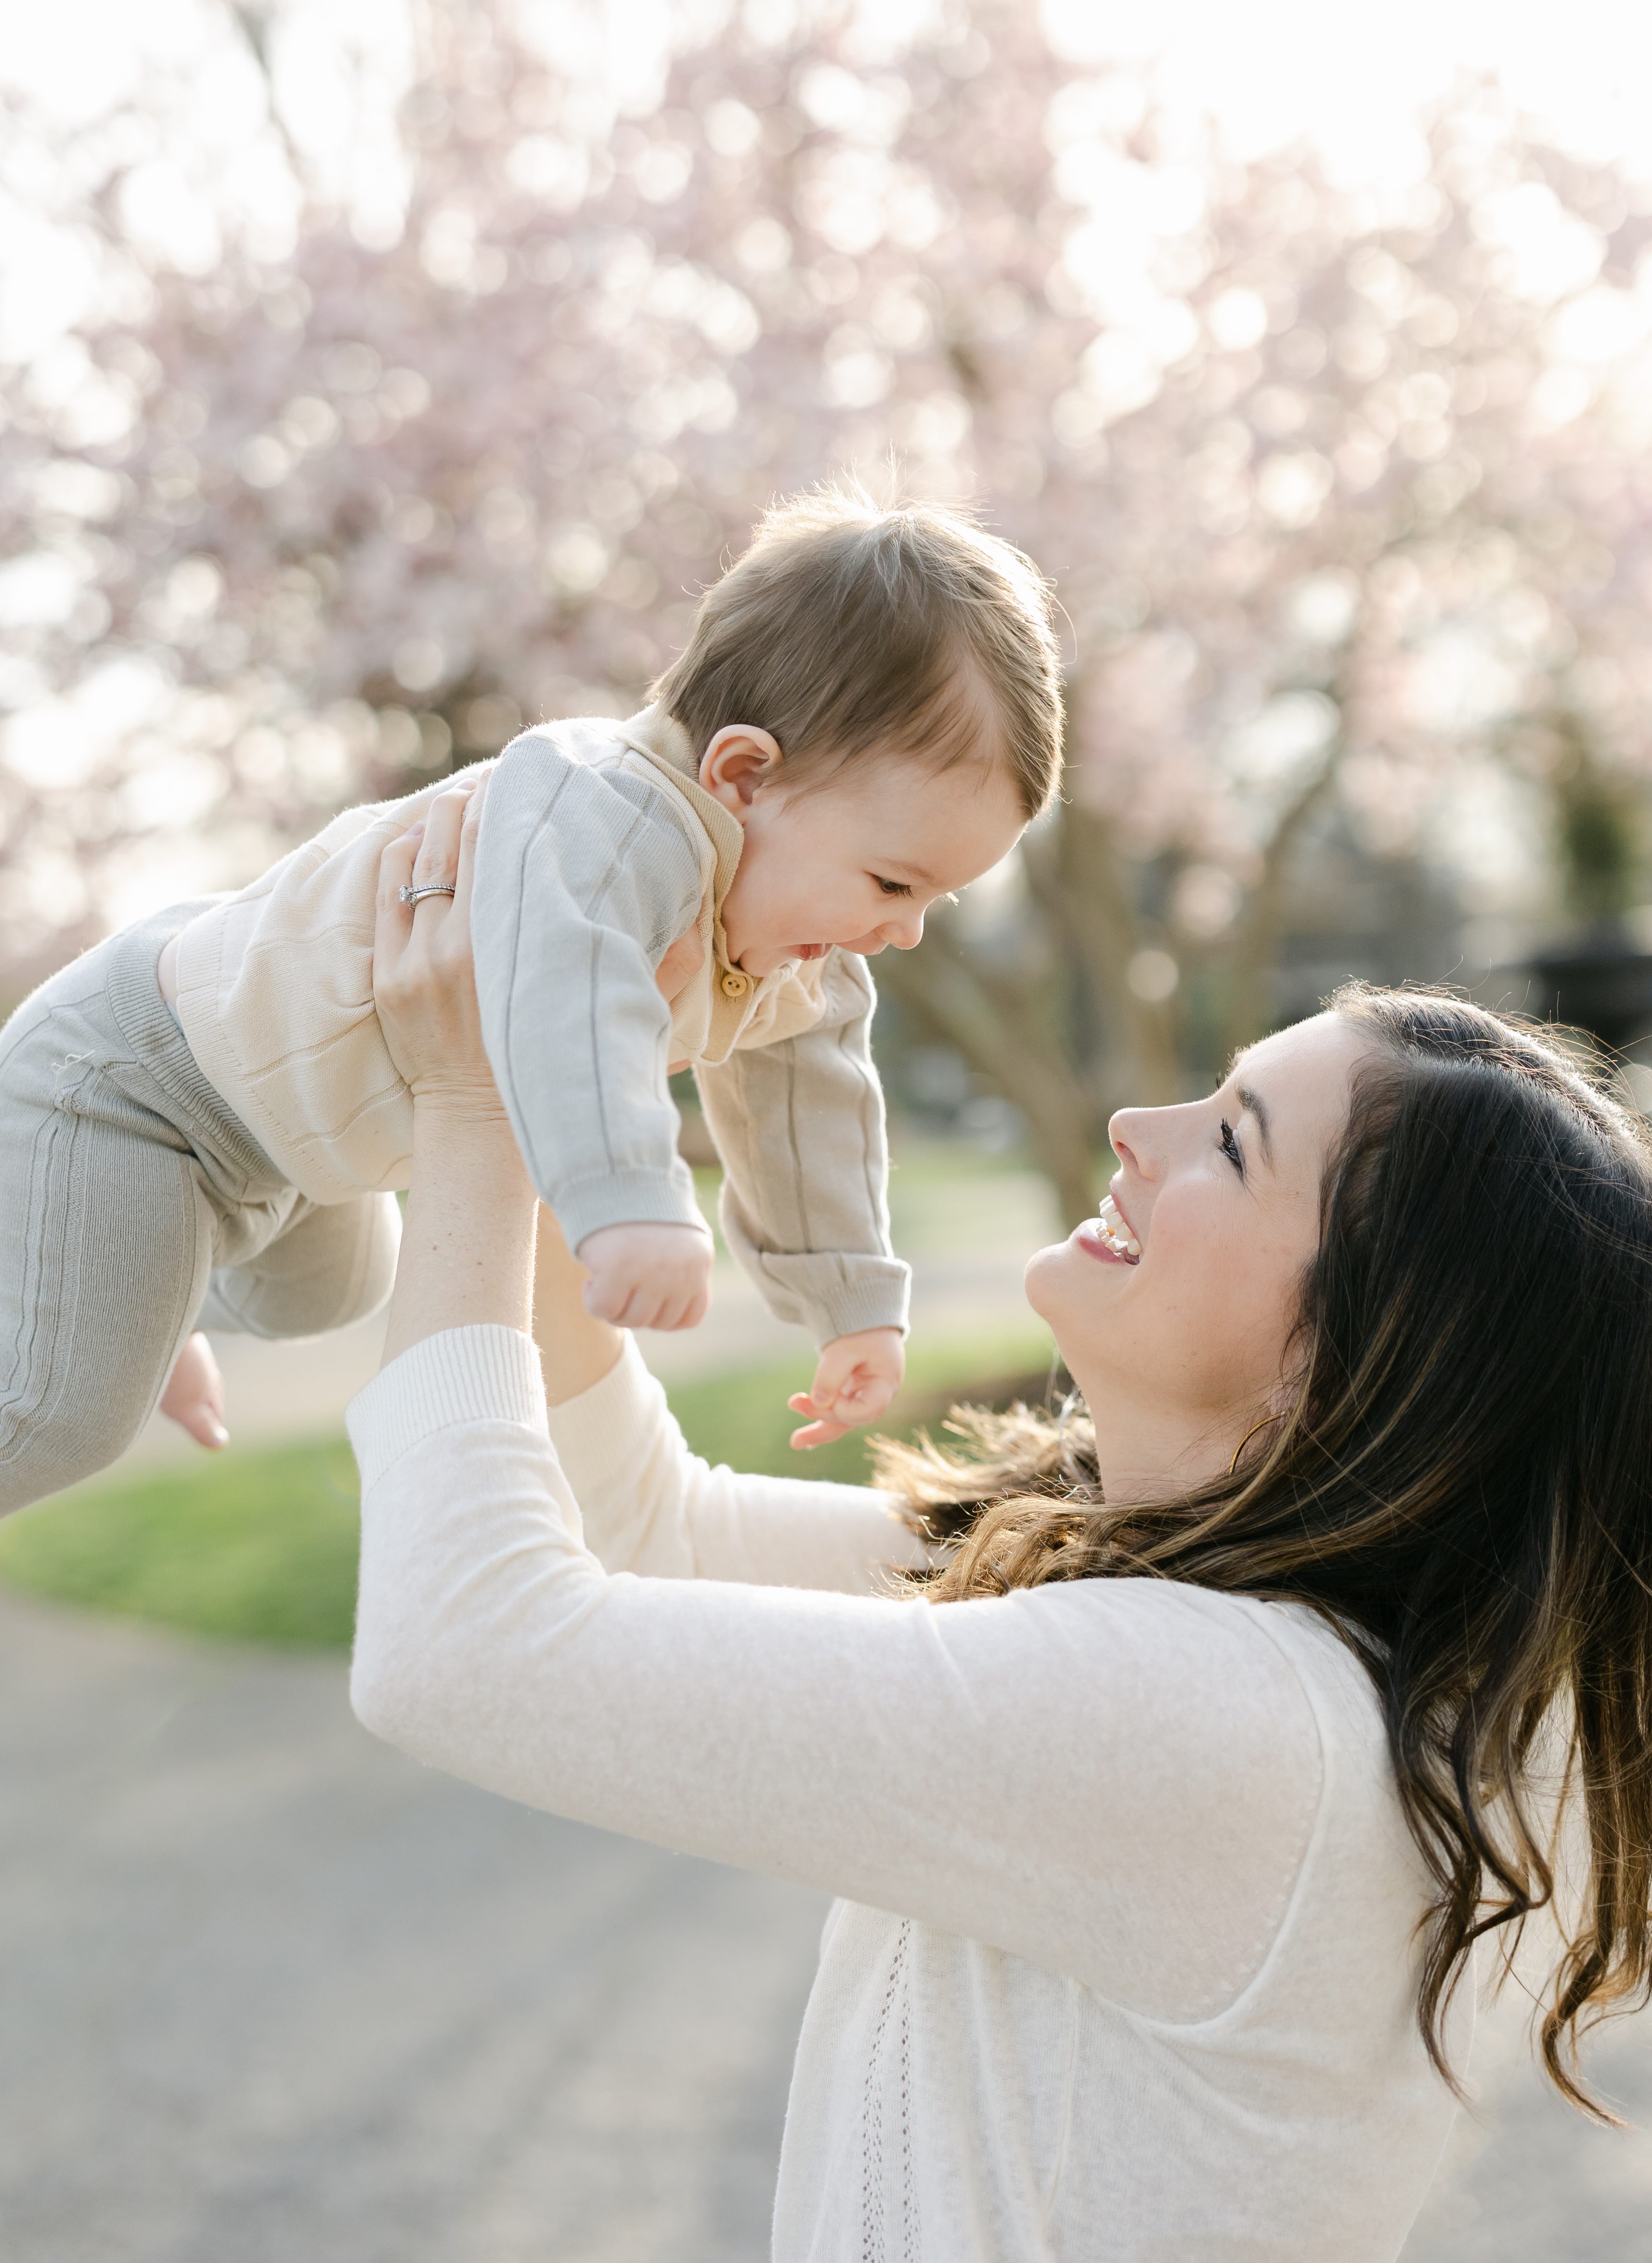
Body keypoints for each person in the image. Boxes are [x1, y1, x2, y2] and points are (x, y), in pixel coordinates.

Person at [347, 782, 1652, 2262]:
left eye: (1229, 1145)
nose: (1135, 1128)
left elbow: (459, 1655)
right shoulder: (1202, 1603)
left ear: (1364, 1353)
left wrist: (466, 1105)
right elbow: (647, 1526)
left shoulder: (1231, 1718)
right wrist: (546, 1082)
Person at [0, 491, 1059, 1569]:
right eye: (894, 883)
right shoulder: (595, 813)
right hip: (133, 1079)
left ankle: (120, 1290)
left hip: (285, 1155)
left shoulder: (803, 933)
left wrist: (852, 1298)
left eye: (931, 903)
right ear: (744, 774)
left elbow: (816, 1109)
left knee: (328, 1298)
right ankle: (91, 1321)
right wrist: (630, 1205)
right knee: (59, 1417)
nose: (902, 932)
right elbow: (568, 1002)